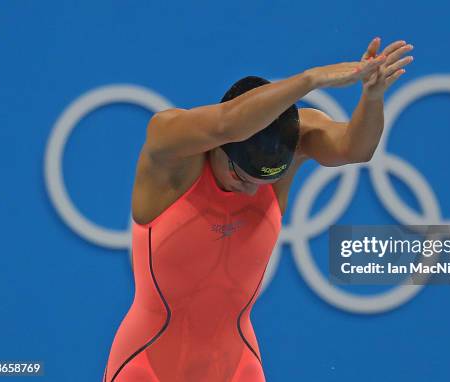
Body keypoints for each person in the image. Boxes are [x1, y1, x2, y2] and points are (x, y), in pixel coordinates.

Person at [103, 37, 413, 382]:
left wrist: (372, 97)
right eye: (240, 174)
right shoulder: (171, 149)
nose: (250, 189)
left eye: (262, 182)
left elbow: (357, 149)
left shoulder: (297, 137)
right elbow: (226, 124)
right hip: (146, 361)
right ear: (219, 147)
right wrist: (311, 80)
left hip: (238, 365)